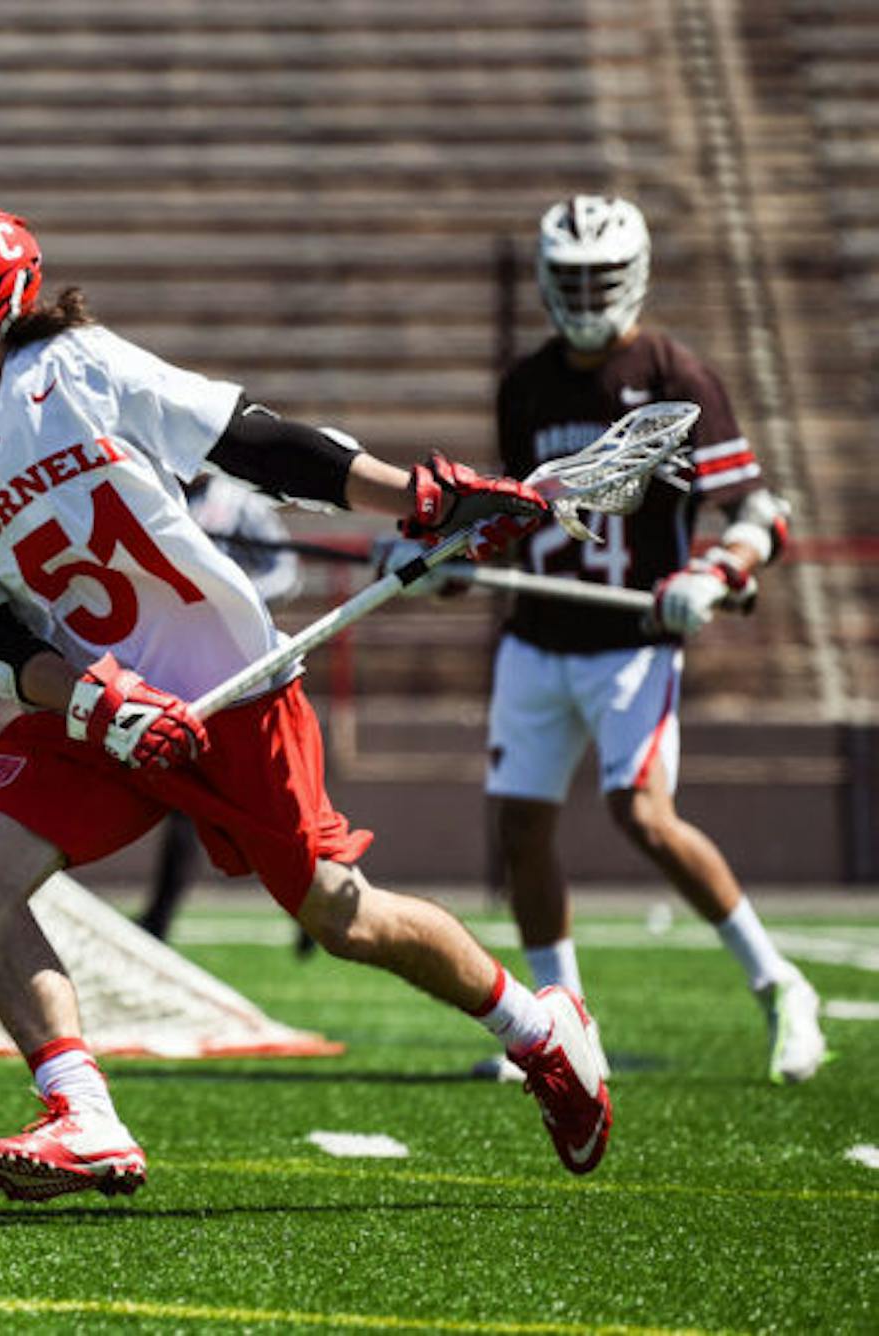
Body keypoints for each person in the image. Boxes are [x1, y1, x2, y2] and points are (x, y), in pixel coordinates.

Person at [0, 197, 611, 1202]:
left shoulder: (76, 368)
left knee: (340, 915)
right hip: (94, 702)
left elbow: (253, 442)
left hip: (231, 688)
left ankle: (539, 1028)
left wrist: (420, 497)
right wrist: (89, 699)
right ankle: (82, 1113)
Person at [478, 194, 826, 1085]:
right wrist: (457, 552)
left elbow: (758, 511)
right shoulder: (525, 386)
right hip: (537, 637)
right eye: (573, 278)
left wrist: (714, 573)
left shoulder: (677, 374)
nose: (588, 294)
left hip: (633, 642)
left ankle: (780, 983)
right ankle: (563, 1026)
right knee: (521, 830)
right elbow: (525, 511)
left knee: (643, 815)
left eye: (602, 277)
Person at [138, 471, 302, 941]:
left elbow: (286, 570)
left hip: (244, 672)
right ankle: (160, 916)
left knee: (279, 800)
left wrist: (234, 597)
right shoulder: (150, 492)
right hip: (180, 672)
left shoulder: (240, 504)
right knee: (183, 799)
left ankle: (316, 904)